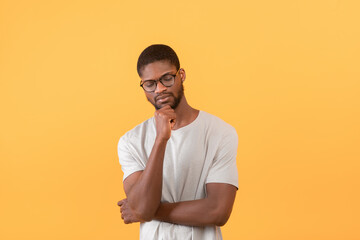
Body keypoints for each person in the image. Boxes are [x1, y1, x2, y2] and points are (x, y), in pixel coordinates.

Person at [117, 44, 238, 240]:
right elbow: (141, 207)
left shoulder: (220, 132)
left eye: (167, 78)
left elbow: (218, 211)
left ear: (181, 75)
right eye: (150, 84)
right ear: (143, 85)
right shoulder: (130, 141)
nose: (160, 89)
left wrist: (150, 212)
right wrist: (161, 139)